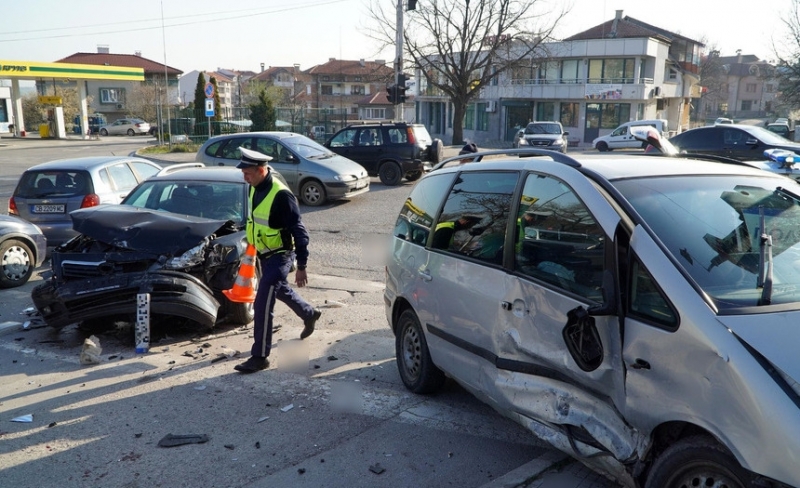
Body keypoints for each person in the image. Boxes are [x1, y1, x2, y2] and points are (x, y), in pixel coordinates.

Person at [234, 147, 322, 374]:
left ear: (261, 170)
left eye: (248, 173)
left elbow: (300, 233)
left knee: (263, 299)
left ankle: (260, 356)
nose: (244, 177)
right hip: (264, 254)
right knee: (278, 290)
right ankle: (309, 313)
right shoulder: (253, 188)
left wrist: (302, 266)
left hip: (282, 255)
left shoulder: (282, 195)